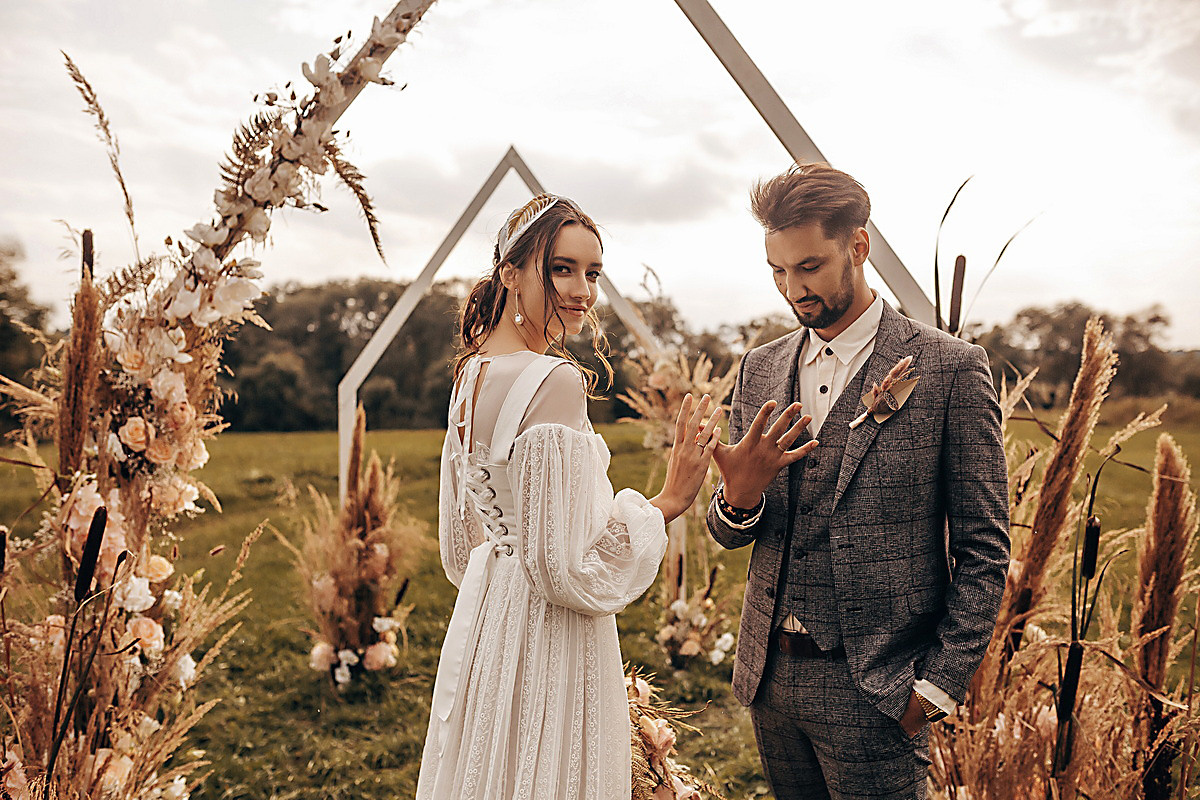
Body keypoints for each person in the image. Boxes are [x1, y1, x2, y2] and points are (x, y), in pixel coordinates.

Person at [706, 163, 1010, 800]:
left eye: (810, 266)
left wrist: (935, 686)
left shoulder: (950, 370)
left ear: (859, 246)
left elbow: (985, 549)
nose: (794, 289)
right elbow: (731, 535)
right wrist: (738, 500)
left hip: (879, 691)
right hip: (770, 685)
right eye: (778, 271)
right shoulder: (759, 370)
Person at [416, 193, 719, 800]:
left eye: (592, 272)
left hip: (486, 622)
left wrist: (505, 582)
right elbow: (566, 569)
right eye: (561, 268)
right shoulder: (551, 380)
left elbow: (462, 546)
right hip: (551, 633)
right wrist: (668, 500)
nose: (582, 289)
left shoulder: (470, 377)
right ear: (510, 271)